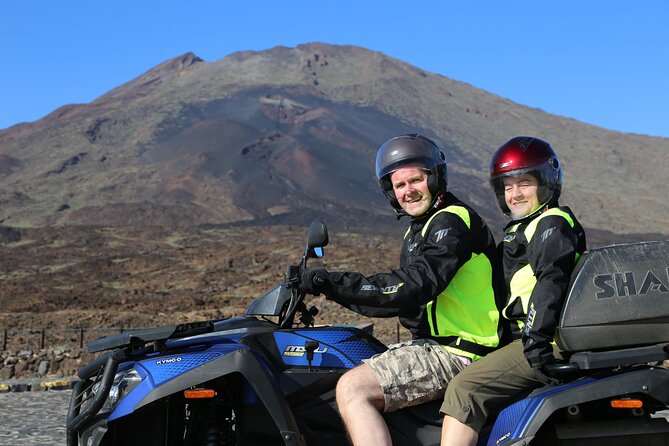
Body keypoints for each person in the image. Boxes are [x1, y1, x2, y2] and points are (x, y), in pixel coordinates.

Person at [299, 133, 509, 445]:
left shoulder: (451, 221)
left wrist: (334, 282)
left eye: (415, 181)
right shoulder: (419, 228)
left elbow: (416, 284)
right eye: (399, 185)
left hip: (458, 351)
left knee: (352, 388)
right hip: (434, 345)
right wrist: (332, 289)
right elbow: (394, 299)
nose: (408, 191)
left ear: (435, 178)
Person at [440, 136, 587, 446]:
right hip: (535, 336)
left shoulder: (551, 225)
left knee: (464, 388)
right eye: (507, 186)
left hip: (545, 338)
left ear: (546, 183)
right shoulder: (528, 227)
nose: (515, 194)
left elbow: (550, 284)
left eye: (525, 183)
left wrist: (535, 345)